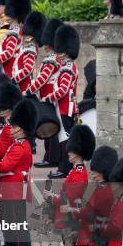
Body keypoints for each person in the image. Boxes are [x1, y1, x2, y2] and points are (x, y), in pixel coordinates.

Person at [0, 99, 37, 246]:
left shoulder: (19, 147)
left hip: (15, 189)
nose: (12, 130)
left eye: (15, 128)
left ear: (22, 130)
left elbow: (6, 165)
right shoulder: (19, 144)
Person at [41, 25, 80, 179]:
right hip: (63, 106)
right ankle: (64, 166)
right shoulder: (66, 66)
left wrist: (48, 98)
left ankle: (65, 168)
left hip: (65, 107)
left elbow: (63, 90)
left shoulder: (68, 68)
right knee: (63, 137)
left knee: (65, 137)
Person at [29, 19, 64, 170]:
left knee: (51, 128)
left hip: (50, 95)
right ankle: (49, 157)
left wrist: (30, 89)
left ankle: (52, 158)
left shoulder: (52, 58)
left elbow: (43, 78)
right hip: (47, 94)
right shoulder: (54, 56)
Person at [0, 0, 31, 79]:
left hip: (9, 71)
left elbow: (9, 52)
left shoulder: (14, 32)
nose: (6, 14)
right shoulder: (17, 29)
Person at [12, 11, 46, 93]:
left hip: (21, 88)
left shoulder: (30, 49)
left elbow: (27, 69)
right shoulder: (28, 47)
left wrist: (13, 81)